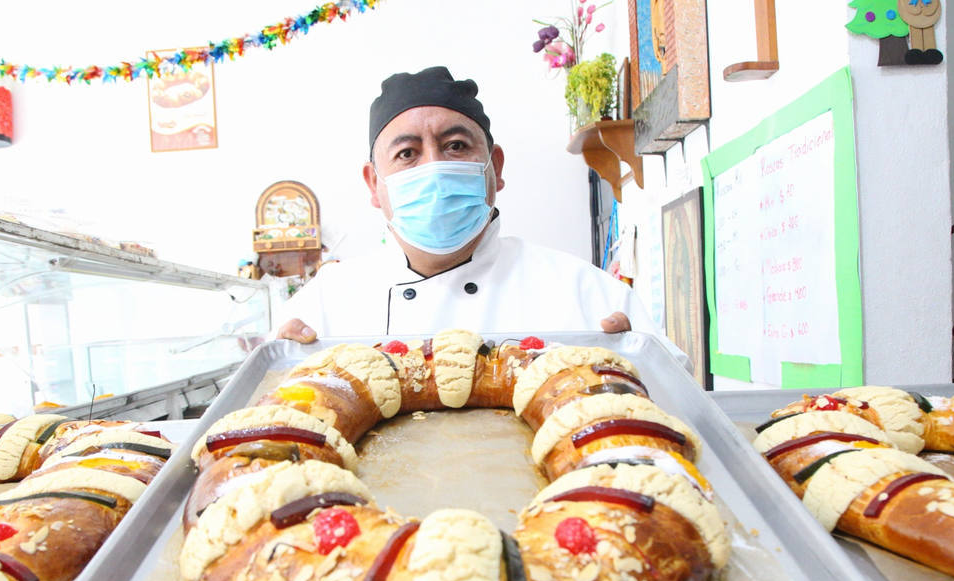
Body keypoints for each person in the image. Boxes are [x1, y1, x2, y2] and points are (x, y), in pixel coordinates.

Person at [276, 66, 686, 366]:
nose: (434, 167)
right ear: (373, 184)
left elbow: (683, 405)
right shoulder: (326, 304)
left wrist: (642, 367)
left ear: (496, 168)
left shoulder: (584, 295)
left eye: (455, 146)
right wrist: (279, 373)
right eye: (407, 154)